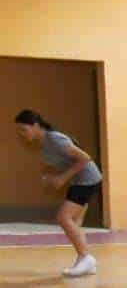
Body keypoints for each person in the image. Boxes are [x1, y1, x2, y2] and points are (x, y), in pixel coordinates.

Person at [14, 110, 102, 277]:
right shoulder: (43, 145)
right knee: (74, 222)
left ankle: (86, 259)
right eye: (19, 131)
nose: (21, 134)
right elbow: (64, 164)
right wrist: (52, 177)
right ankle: (85, 262)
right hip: (79, 181)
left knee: (63, 218)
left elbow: (85, 158)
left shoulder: (55, 139)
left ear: (36, 126)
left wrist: (61, 178)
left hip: (88, 179)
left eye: (23, 129)